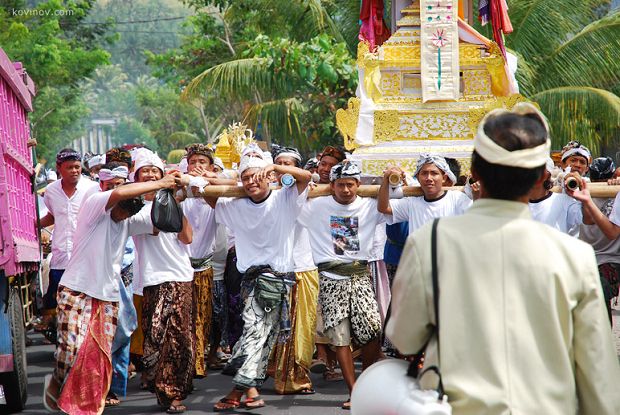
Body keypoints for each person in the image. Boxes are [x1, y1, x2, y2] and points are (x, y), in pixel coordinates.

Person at [386, 103, 620, 415]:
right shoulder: (575, 257)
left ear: (476, 174)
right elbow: (599, 379)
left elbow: (404, 336)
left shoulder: (430, 242)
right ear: (541, 177)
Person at [42, 163, 177, 414]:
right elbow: (118, 195)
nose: (124, 216)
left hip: (107, 297)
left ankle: (86, 406)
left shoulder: (127, 219)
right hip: (76, 289)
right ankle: (59, 380)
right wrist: (161, 182)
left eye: (129, 212)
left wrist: (172, 192)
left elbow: (160, 224)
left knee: (99, 357)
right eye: (123, 209)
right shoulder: (94, 206)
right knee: (70, 350)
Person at [202, 153, 311, 411]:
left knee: (255, 335)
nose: (252, 182)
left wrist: (272, 166)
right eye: (246, 178)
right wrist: (220, 181)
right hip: (250, 280)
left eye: (257, 176)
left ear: (270, 177)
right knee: (258, 337)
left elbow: (307, 177)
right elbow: (210, 199)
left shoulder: (284, 198)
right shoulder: (236, 205)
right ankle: (247, 392)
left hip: (276, 280)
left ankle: (238, 392)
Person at [299, 161, 385, 410]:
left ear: (358, 185)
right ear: (332, 186)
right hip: (330, 279)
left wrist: (390, 179)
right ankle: (354, 390)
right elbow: (287, 202)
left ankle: (366, 382)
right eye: (340, 185)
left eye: (350, 184)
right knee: (340, 338)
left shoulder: (370, 205)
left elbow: (396, 198)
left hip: (360, 277)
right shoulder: (315, 206)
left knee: (372, 330)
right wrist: (303, 184)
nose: (346, 190)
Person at [129, 149, 195, 414]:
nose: (150, 175)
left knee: (179, 337)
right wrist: (163, 196)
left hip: (180, 276)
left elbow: (187, 237)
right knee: (155, 336)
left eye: (155, 171)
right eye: (144, 171)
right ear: (137, 178)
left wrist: (176, 202)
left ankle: (173, 392)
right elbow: (155, 226)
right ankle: (158, 380)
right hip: (152, 280)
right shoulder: (134, 210)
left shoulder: (172, 202)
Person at [267, 145, 319, 395]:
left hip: (303, 268)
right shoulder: (267, 194)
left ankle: (298, 376)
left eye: (289, 164)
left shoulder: (300, 190)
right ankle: (276, 373)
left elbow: (306, 178)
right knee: (276, 327)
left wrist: (277, 167)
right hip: (275, 270)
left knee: (302, 329)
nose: (283, 169)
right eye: (279, 163)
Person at [39, 149, 99, 335]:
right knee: (63, 307)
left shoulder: (92, 188)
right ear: (59, 168)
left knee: (86, 307)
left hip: (86, 258)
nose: (74, 171)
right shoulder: (50, 191)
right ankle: (66, 343)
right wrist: (35, 226)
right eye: (69, 167)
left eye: (77, 167)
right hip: (61, 259)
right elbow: (52, 215)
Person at [568, 157, 620, 323]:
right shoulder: (580, 187)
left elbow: (612, 233)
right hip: (586, 259)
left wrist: (588, 200)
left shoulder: (617, 193)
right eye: (597, 179)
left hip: (611, 260)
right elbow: (588, 220)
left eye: (605, 179)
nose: (601, 183)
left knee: (597, 291)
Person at [377, 154, 471, 235]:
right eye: (424, 173)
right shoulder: (412, 204)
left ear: (444, 178)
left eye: (434, 173)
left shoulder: (457, 199)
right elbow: (384, 208)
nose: (429, 178)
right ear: (418, 177)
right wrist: (386, 179)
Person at [528, 158, 582, 236]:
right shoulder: (515, 203)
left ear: (547, 175)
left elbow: (586, 220)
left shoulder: (564, 201)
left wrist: (583, 194)